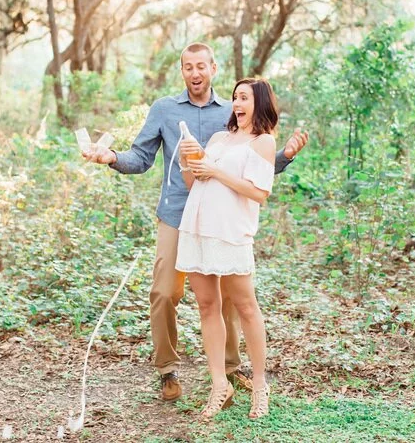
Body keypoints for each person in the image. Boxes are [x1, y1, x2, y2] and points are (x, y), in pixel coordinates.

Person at [82, 42, 308, 402]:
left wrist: (285, 156)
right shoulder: (165, 110)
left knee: (228, 299)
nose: (195, 73)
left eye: (201, 66)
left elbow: (254, 167)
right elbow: (141, 158)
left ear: (214, 68)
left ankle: (232, 370)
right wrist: (111, 156)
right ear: (182, 70)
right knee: (165, 291)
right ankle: (168, 369)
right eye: (188, 67)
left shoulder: (232, 111)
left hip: (222, 216)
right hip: (177, 214)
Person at [177, 78, 277, 419]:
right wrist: (188, 162)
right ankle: (220, 384)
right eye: (235, 97)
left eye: (245, 97)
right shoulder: (219, 138)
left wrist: (216, 170)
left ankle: (260, 385)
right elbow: (195, 183)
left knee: (246, 306)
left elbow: (259, 193)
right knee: (207, 305)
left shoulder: (262, 142)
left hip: (231, 232)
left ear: (259, 103)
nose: (237, 102)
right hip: (197, 228)